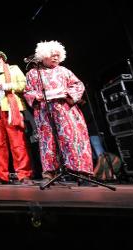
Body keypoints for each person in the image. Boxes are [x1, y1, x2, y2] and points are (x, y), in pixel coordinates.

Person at [24, 41, 93, 181]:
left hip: (66, 111)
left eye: (57, 56)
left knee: (72, 139)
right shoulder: (33, 73)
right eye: (52, 55)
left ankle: (82, 173)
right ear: (43, 56)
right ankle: (50, 173)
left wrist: (67, 94)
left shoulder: (64, 71)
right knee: (47, 142)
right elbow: (28, 91)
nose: (55, 58)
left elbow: (78, 84)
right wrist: (38, 97)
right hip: (45, 112)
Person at [0, 51, 33, 185]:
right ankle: (0, 175)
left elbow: (24, 85)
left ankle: (24, 175)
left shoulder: (13, 69)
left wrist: (7, 86)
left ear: (2, 59)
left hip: (10, 110)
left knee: (18, 144)